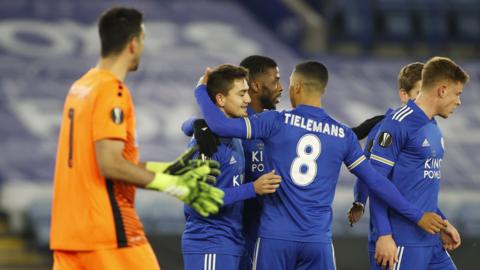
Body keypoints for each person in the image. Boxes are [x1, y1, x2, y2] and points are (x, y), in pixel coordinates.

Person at [193, 61, 447, 270]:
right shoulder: (341, 134)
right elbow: (377, 181)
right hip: (317, 242)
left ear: (298, 87)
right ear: (323, 90)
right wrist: (417, 216)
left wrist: (200, 91)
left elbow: (221, 125)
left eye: (289, 84)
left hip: (274, 237)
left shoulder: (274, 121)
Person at [50, 7, 223, 270]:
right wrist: (176, 186)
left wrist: (167, 170)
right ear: (133, 43)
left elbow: (94, 161)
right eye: (143, 39)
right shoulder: (112, 90)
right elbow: (109, 164)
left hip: (68, 234)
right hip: (108, 232)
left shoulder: (81, 86)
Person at [364, 57, 468, 270]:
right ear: (442, 90)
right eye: (457, 94)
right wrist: (383, 234)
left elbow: (417, 186)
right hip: (401, 241)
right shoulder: (397, 124)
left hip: (430, 240)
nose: (459, 101)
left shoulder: (432, 125)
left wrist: (442, 221)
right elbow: (375, 181)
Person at [181, 65, 281, 270]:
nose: (247, 100)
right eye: (242, 93)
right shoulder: (206, 144)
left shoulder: (234, 133)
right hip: (209, 242)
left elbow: (190, 125)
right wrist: (252, 188)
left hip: (232, 242)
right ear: (220, 99)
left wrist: (195, 123)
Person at [348, 62, 426, 226]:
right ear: (404, 95)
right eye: (419, 93)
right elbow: (369, 171)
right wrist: (360, 201)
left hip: (422, 220)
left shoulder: (430, 129)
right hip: (396, 222)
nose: (426, 98)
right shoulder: (386, 128)